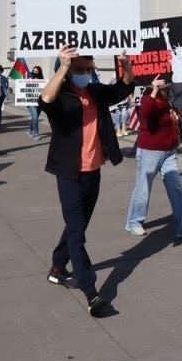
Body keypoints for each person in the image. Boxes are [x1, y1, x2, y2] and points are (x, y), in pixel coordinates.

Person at [40, 46, 133, 318]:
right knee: (77, 232)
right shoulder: (62, 94)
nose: (85, 74)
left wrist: (126, 65)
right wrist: (64, 67)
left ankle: (57, 267)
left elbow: (124, 88)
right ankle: (92, 293)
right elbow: (45, 99)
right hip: (68, 172)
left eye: (88, 69)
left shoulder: (95, 92)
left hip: (93, 171)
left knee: (75, 226)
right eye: (80, 70)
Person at [125, 75, 182, 239]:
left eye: (167, 84)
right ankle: (134, 222)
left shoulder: (168, 100)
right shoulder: (147, 96)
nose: (166, 86)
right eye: (163, 84)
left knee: (176, 189)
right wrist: (153, 90)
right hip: (149, 151)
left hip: (168, 151)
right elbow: (145, 112)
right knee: (143, 187)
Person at [27, 65, 44, 139]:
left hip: (39, 102)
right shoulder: (29, 79)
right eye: (34, 71)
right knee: (35, 117)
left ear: (39, 72)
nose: (35, 72)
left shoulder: (43, 80)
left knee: (34, 118)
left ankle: (30, 130)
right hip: (31, 102)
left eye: (36, 71)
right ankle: (36, 133)